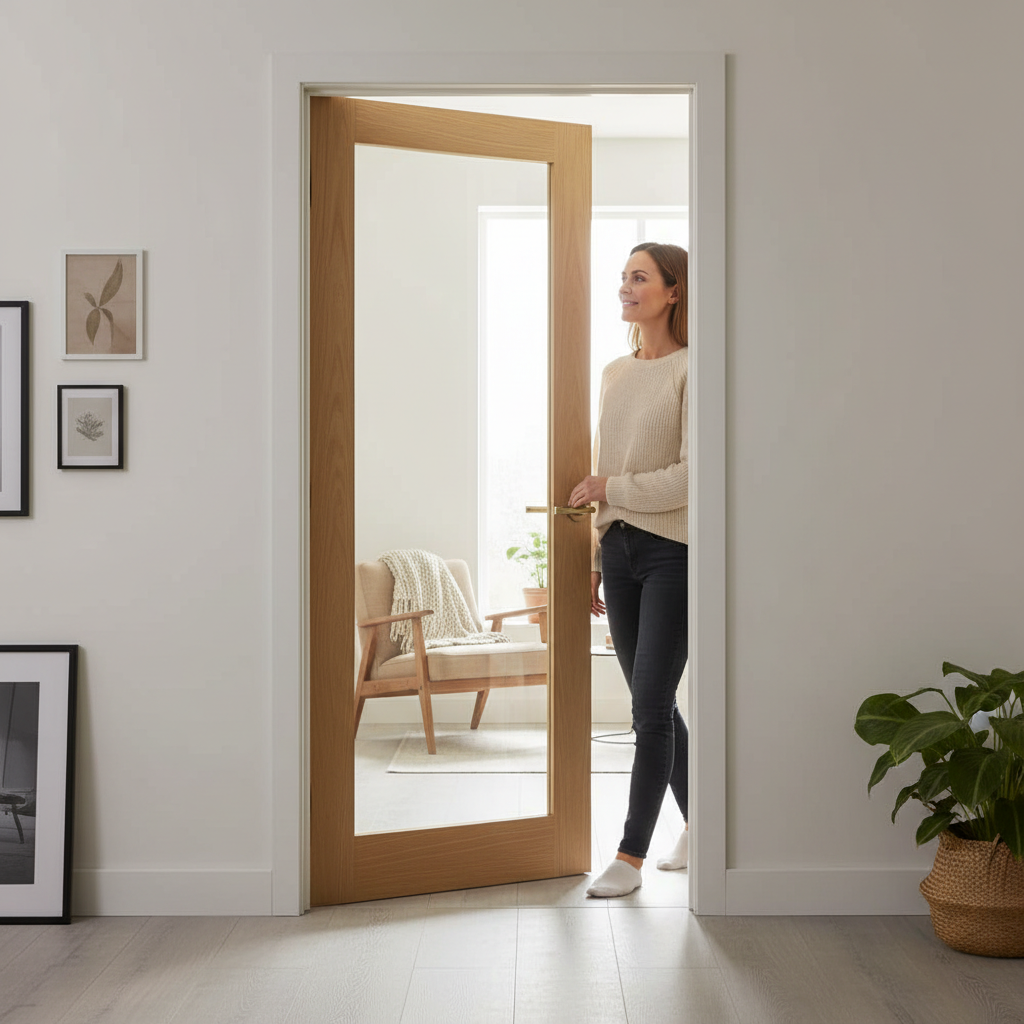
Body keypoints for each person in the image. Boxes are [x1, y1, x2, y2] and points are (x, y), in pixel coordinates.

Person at [569, 241, 690, 899]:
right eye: (622, 277)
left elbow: (690, 478)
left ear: (673, 291)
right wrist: (593, 555)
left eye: (639, 277)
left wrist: (612, 487)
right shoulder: (615, 373)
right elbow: (601, 473)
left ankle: (629, 856)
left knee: (648, 708)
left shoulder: (692, 369)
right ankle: (703, 826)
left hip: (675, 553)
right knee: (658, 707)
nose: (625, 286)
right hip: (618, 552)